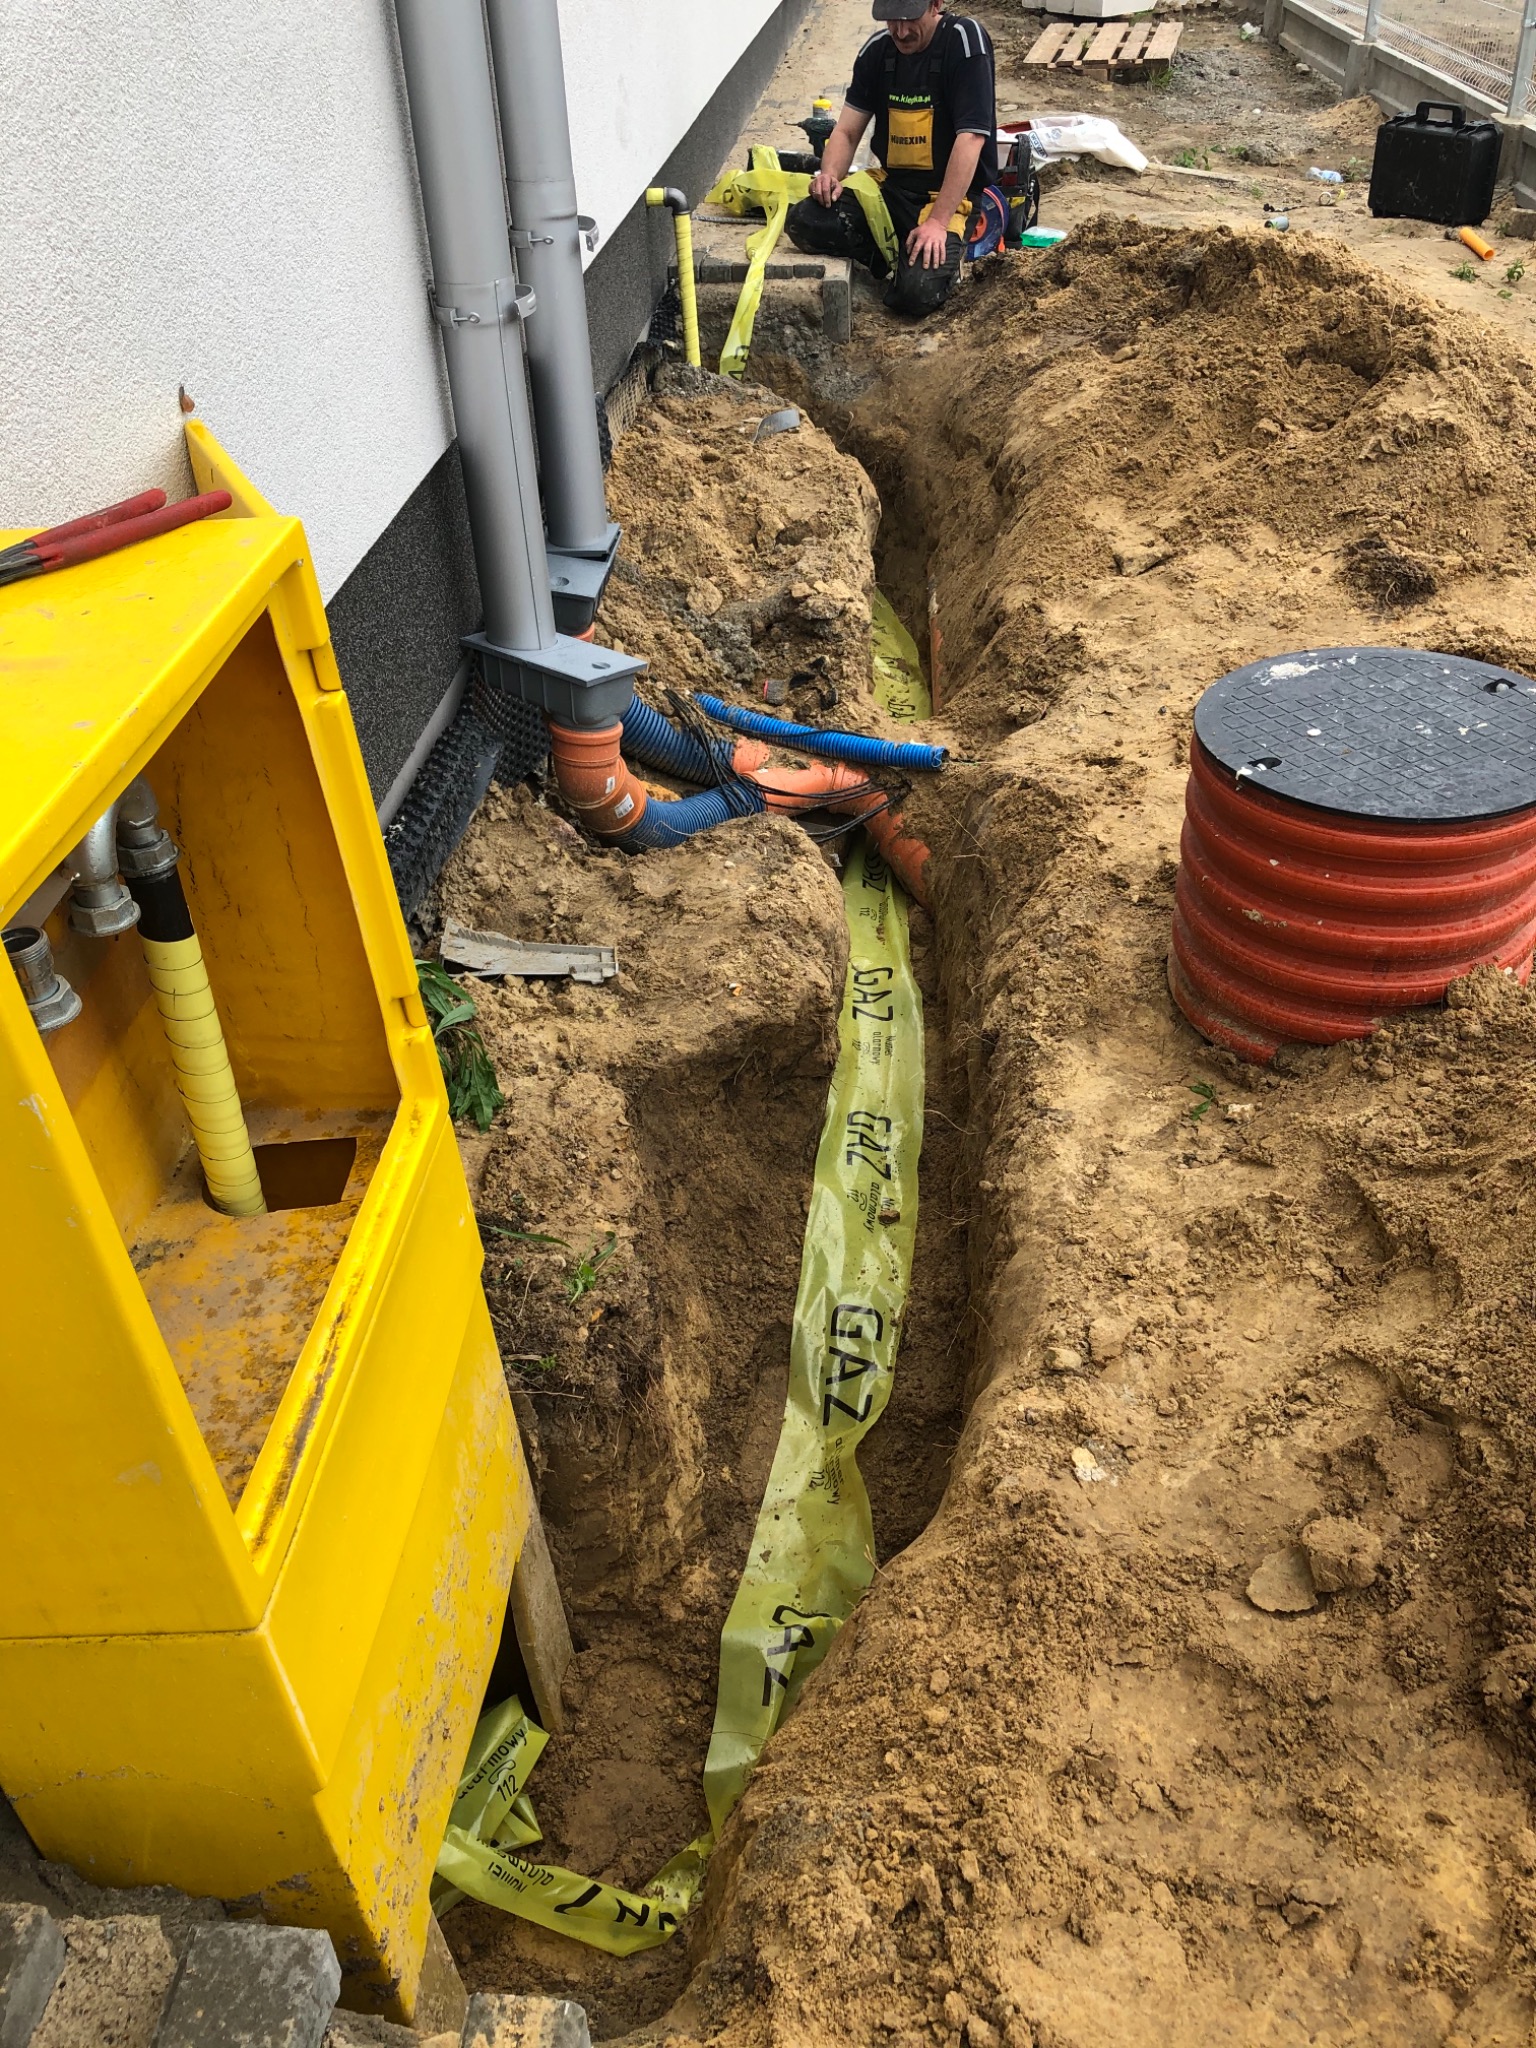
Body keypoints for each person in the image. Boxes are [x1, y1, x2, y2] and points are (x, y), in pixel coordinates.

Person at [786, 2, 998, 318]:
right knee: (805, 220)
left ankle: (931, 262)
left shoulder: (965, 42)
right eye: (891, 20)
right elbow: (845, 132)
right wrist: (830, 175)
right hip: (890, 188)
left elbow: (971, 139)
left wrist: (938, 223)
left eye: (908, 18)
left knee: (916, 294)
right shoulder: (877, 52)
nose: (900, 31)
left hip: (946, 200)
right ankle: (890, 255)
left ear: (935, 4)